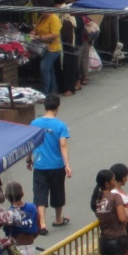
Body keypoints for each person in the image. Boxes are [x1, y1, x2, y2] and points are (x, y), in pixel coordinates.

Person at [29, 94, 72, 228]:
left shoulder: (34, 123)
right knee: (57, 191)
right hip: (57, 165)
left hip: (40, 164)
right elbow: (63, 145)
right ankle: (58, 218)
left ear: (45, 106)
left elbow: (31, 143)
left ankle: (42, 223)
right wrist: (67, 165)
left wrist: (28, 159)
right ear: (57, 107)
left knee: (40, 193)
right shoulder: (60, 125)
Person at [93, 168, 128, 255]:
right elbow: (122, 218)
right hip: (117, 240)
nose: (115, 182)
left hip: (104, 241)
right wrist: (127, 213)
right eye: (113, 180)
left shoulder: (96, 199)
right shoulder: (115, 197)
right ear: (107, 184)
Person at [33, 6, 63, 101]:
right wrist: (33, 33)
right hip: (43, 48)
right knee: (50, 70)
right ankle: (53, 91)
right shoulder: (41, 18)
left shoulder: (54, 19)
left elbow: (55, 34)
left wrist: (39, 37)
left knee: (44, 68)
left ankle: (44, 93)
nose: (42, 13)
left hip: (53, 48)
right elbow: (35, 29)